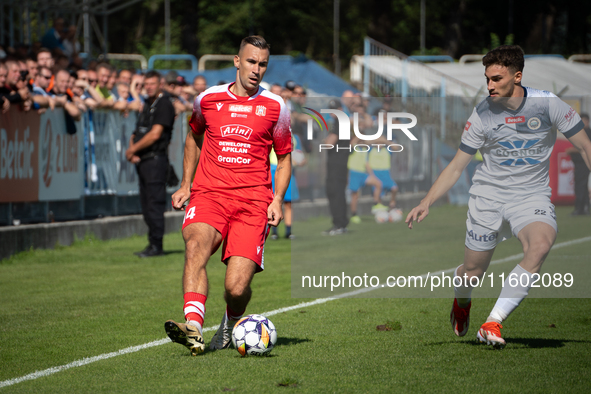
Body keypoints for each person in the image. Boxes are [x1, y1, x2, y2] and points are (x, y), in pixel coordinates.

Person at [406, 45, 591, 349]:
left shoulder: (548, 104)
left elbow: (585, 145)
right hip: (488, 198)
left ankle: (492, 322)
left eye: (497, 79)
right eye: (487, 79)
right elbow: (456, 166)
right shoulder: (482, 114)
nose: (489, 86)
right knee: (473, 273)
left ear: (517, 76)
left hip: (531, 197)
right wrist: (427, 201)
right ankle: (462, 301)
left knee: (540, 245)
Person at [165, 35, 292, 356]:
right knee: (195, 246)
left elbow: (285, 156)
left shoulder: (276, 107)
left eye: (262, 64)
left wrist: (277, 199)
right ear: (237, 61)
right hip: (210, 195)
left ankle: (231, 320)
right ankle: (193, 326)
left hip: (253, 204)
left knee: (236, 287)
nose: (256, 69)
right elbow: (193, 137)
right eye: (251, 61)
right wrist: (185, 184)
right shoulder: (207, 99)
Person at [125, 70, 176, 258]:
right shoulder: (147, 103)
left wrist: (132, 150)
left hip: (155, 159)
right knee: (146, 206)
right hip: (144, 160)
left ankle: (157, 245)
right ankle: (152, 243)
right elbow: (136, 131)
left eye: (152, 84)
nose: (149, 87)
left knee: (154, 205)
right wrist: (132, 149)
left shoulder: (163, 105)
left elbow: (155, 134)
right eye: (146, 84)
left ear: (160, 84)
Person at [324, 99, 350, 234]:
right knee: (339, 192)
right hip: (341, 163)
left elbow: (329, 143)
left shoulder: (339, 122)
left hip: (336, 164)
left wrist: (325, 140)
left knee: (335, 192)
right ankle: (342, 223)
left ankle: (338, 224)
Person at [566, 113, 591, 215]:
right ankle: (581, 208)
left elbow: (586, 147)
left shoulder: (587, 132)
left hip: (586, 164)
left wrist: (572, 150)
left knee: (583, 187)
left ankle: (583, 208)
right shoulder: (579, 132)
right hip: (579, 165)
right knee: (581, 186)